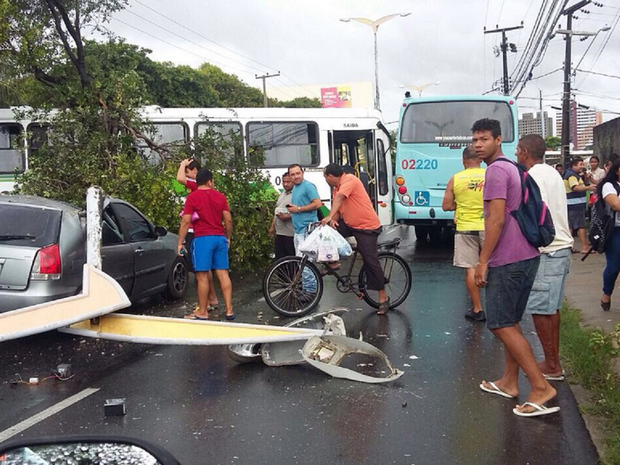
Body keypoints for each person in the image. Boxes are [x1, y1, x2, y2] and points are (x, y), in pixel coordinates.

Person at [472, 118, 559, 418]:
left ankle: (540, 386)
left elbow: (495, 220)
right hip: (527, 255)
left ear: (499, 140)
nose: (478, 144)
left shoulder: (497, 171)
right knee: (511, 320)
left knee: (499, 323)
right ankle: (510, 381)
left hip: (508, 259)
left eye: (484, 139)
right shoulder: (514, 168)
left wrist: (483, 261)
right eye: (475, 140)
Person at [517, 134, 573, 381]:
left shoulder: (532, 178)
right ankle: (553, 361)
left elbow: (534, 215)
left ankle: (552, 365)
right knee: (552, 309)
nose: (516, 155)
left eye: (518, 150)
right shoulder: (552, 174)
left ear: (525, 152)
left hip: (548, 250)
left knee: (540, 310)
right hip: (562, 248)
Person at [321, 163, 389, 314]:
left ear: (330, 177)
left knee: (370, 261)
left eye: (325, 177)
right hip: (351, 224)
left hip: (366, 226)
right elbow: (338, 208)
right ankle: (333, 262)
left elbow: (340, 198)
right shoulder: (336, 188)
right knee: (328, 232)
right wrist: (333, 219)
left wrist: (329, 215)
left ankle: (383, 298)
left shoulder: (349, 180)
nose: (325, 180)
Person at [177, 169, 235, 321]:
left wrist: (180, 242)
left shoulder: (192, 197)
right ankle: (229, 310)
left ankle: (203, 311)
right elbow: (228, 220)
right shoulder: (220, 197)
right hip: (219, 238)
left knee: (202, 275)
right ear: (210, 181)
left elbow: (186, 221)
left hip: (202, 239)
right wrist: (228, 237)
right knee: (223, 274)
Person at [442, 145, 486, 322]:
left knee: (471, 268)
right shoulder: (490, 176)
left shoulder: (456, 179)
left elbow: (446, 206)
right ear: (481, 160)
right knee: (495, 266)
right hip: (489, 227)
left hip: (465, 228)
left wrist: (459, 205)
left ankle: (477, 309)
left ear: (463, 161)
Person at [176, 158, 220, 312]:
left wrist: (182, 164)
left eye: (188, 172)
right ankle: (212, 298)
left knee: (200, 270)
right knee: (205, 269)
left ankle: (205, 303)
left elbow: (179, 178)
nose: (185, 176)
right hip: (203, 231)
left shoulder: (196, 185)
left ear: (194, 171)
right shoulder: (201, 187)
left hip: (196, 232)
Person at [287, 163, 322, 294]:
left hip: (308, 230)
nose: (296, 177)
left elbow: (318, 203)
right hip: (298, 231)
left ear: (303, 173)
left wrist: (299, 209)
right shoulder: (295, 188)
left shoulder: (308, 186)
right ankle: (308, 289)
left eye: (298, 173)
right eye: (293, 174)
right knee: (301, 263)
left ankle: (311, 292)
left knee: (305, 264)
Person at [598, 158, 620, 311]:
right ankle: (606, 293)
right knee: (613, 266)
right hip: (615, 231)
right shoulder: (609, 186)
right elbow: (616, 205)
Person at [564, 156, 595, 254]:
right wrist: (588, 187)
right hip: (575, 204)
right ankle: (585, 247)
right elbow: (575, 187)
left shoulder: (570, 174)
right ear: (574, 165)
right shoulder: (572, 176)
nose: (582, 166)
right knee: (580, 226)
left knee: (570, 226)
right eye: (580, 164)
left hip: (570, 203)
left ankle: (569, 247)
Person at [269, 172, 295, 259]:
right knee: (279, 258)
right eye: (283, 182)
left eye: (288, 182)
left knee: (291, 258)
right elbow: (276, 210)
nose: (285, 184)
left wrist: (288, 216)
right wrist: (272, 227)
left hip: (290, 233)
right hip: (280, 232)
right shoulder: (282, 193)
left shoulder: (296, 194)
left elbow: (301, 210)